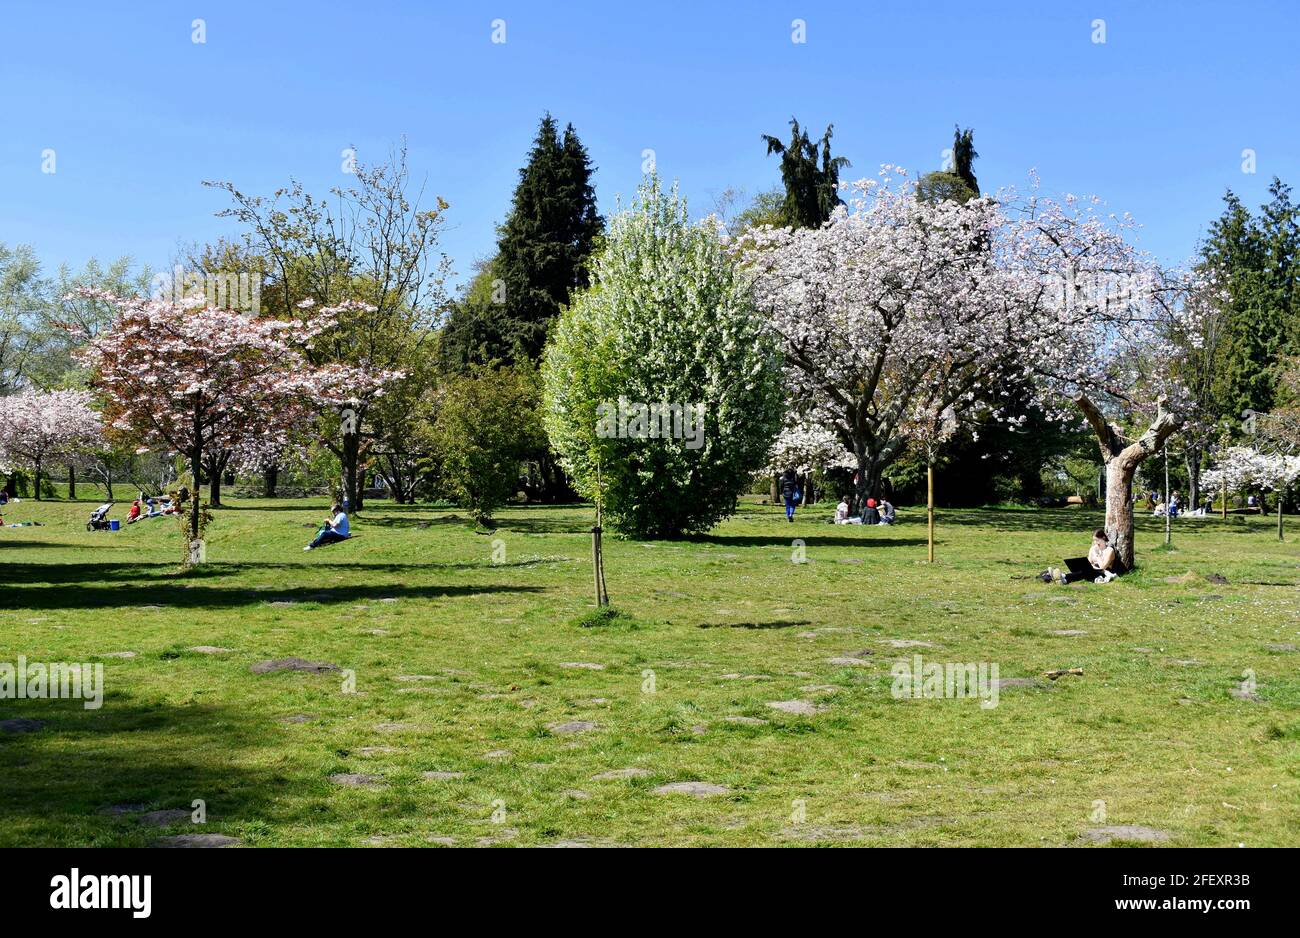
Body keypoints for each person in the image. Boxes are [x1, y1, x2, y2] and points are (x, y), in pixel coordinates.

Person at [1044, 528, 1124, 584]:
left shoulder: (1109, 550)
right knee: (1083, 570)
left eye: (1097, 540)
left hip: (1103, 573)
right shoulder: (1093, 548)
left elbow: (1103, 566)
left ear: (1103, 538)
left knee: (1084, 572)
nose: (1096, 543)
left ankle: (1061, 577)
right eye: (1094, 540)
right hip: (1092, 570)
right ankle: (1062, 579)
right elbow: (1088, 562)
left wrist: (1097, 554)